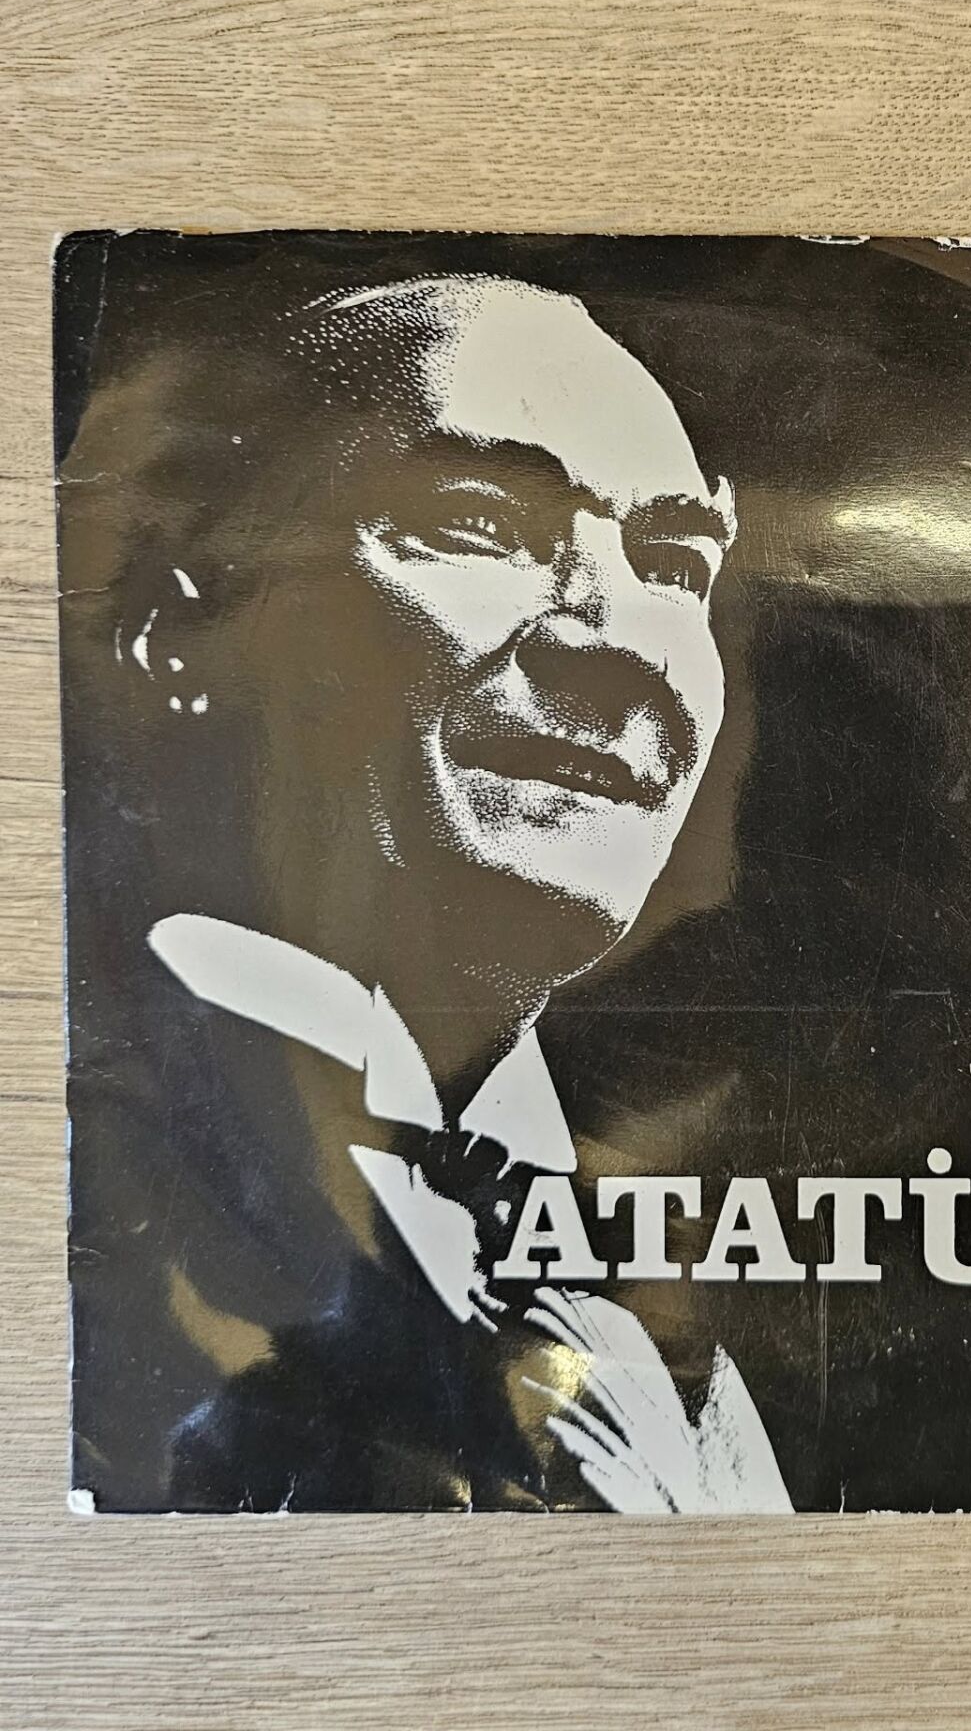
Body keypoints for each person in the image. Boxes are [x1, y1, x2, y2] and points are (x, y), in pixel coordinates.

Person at [63, 273, 791, 1510]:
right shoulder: (86, 1198)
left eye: (674, 564)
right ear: (172, 631)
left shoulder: (678, 1350)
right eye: (476, 526)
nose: (622, 642)